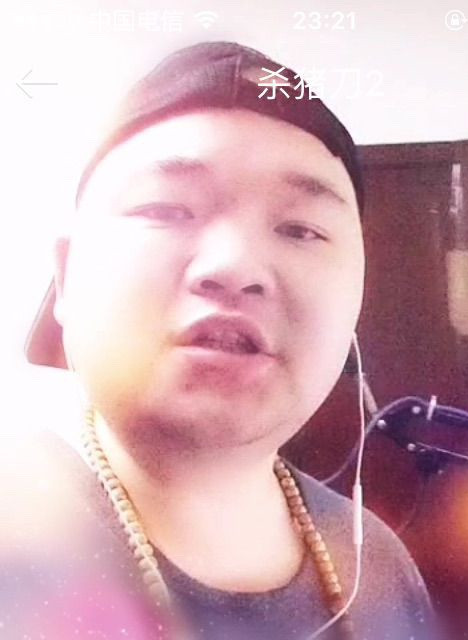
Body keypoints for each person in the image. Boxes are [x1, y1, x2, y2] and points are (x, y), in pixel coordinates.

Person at [7, 41, 442, 640]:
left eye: (301, 229)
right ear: (65, 278)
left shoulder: (380, 570)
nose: (235, 265)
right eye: (165, 209)